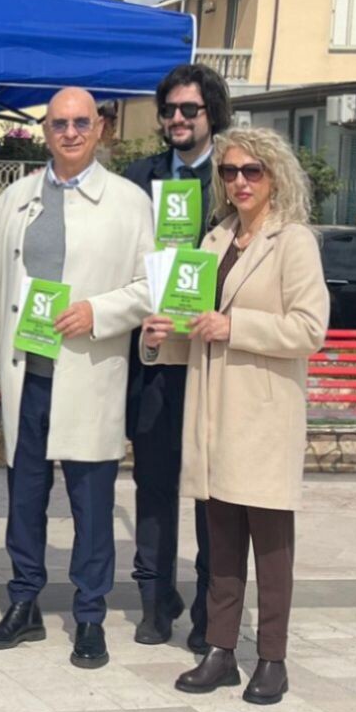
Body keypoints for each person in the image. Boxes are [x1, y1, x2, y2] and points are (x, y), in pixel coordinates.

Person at [141, 127, 328, 706]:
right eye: (229, 172)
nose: (240, 182)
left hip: (263, 416)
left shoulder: (293, 240)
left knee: (271, 551)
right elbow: (196, 321)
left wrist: (235, 327)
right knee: (220, 546)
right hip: (213, 416)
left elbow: (309, 329)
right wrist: (158, 338)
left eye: (252, 171)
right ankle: (220, 650)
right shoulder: (216, 236)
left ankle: (271, 658)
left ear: (275, 175)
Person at [0, 87, 153, 670]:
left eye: (81, 123)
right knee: (24, 498)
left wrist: (97, 312)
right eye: (59, 124)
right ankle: (23, 603)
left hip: (90, 371)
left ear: (100, 128)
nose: (70, 133)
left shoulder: (128, 202)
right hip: (27, 372)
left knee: (91, 503)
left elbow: (150, 287)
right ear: (45, 131)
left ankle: (90, 616)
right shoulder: (18, 197)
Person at [120, 63, 231, 652]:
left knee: (211, 491)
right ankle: (156, 599)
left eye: (190, 109)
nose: (179, 119)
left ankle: (213, 609)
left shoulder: (235, 174)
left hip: (214, 361)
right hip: (156, 357)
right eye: (170, 111)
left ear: (212, 113)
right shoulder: (139, 177)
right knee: (154, 486)